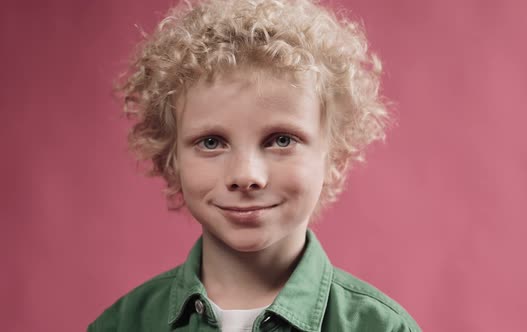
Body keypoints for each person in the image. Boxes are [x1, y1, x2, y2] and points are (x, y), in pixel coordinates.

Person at [89, 0, 421, 331]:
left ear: (334, 158)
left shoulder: (381, 327)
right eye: (211, 142)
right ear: (172, 160)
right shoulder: (123, 324)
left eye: (281, 140)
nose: (245, 176)